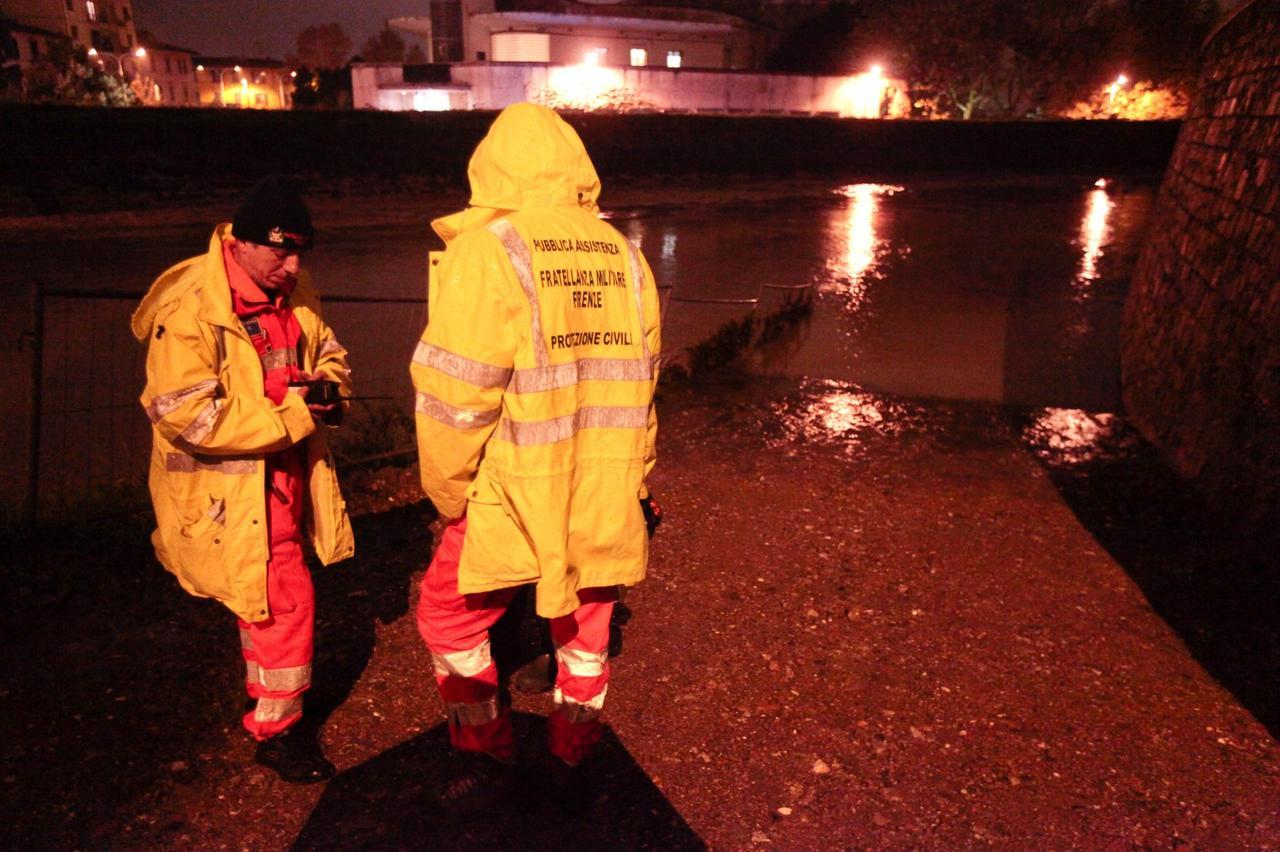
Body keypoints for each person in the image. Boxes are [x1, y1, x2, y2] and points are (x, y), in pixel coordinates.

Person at [410, 102, 662, 816]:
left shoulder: (489, 249)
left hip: (514, 481)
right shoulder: (625, 255)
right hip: (604, 480)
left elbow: (455, 396)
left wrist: (451, 494)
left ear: (490, 168)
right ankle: (571, 751)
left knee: (449, 617)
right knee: (588, 625)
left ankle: (485, 748)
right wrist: (634, 477)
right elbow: (644, 387)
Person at [130, 176, 355, 784]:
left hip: (278, 484)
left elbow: (328, 351)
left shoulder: (293, 289)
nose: (294, 265)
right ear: (242, 243)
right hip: (228, 497)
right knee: (285, 604)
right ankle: (277, 731)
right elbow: (187, 415)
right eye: (282, 250)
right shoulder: (191, 309)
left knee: (264, 607)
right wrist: (295, 412)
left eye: (302, 251)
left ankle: (263, 703)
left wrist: (329, 390)